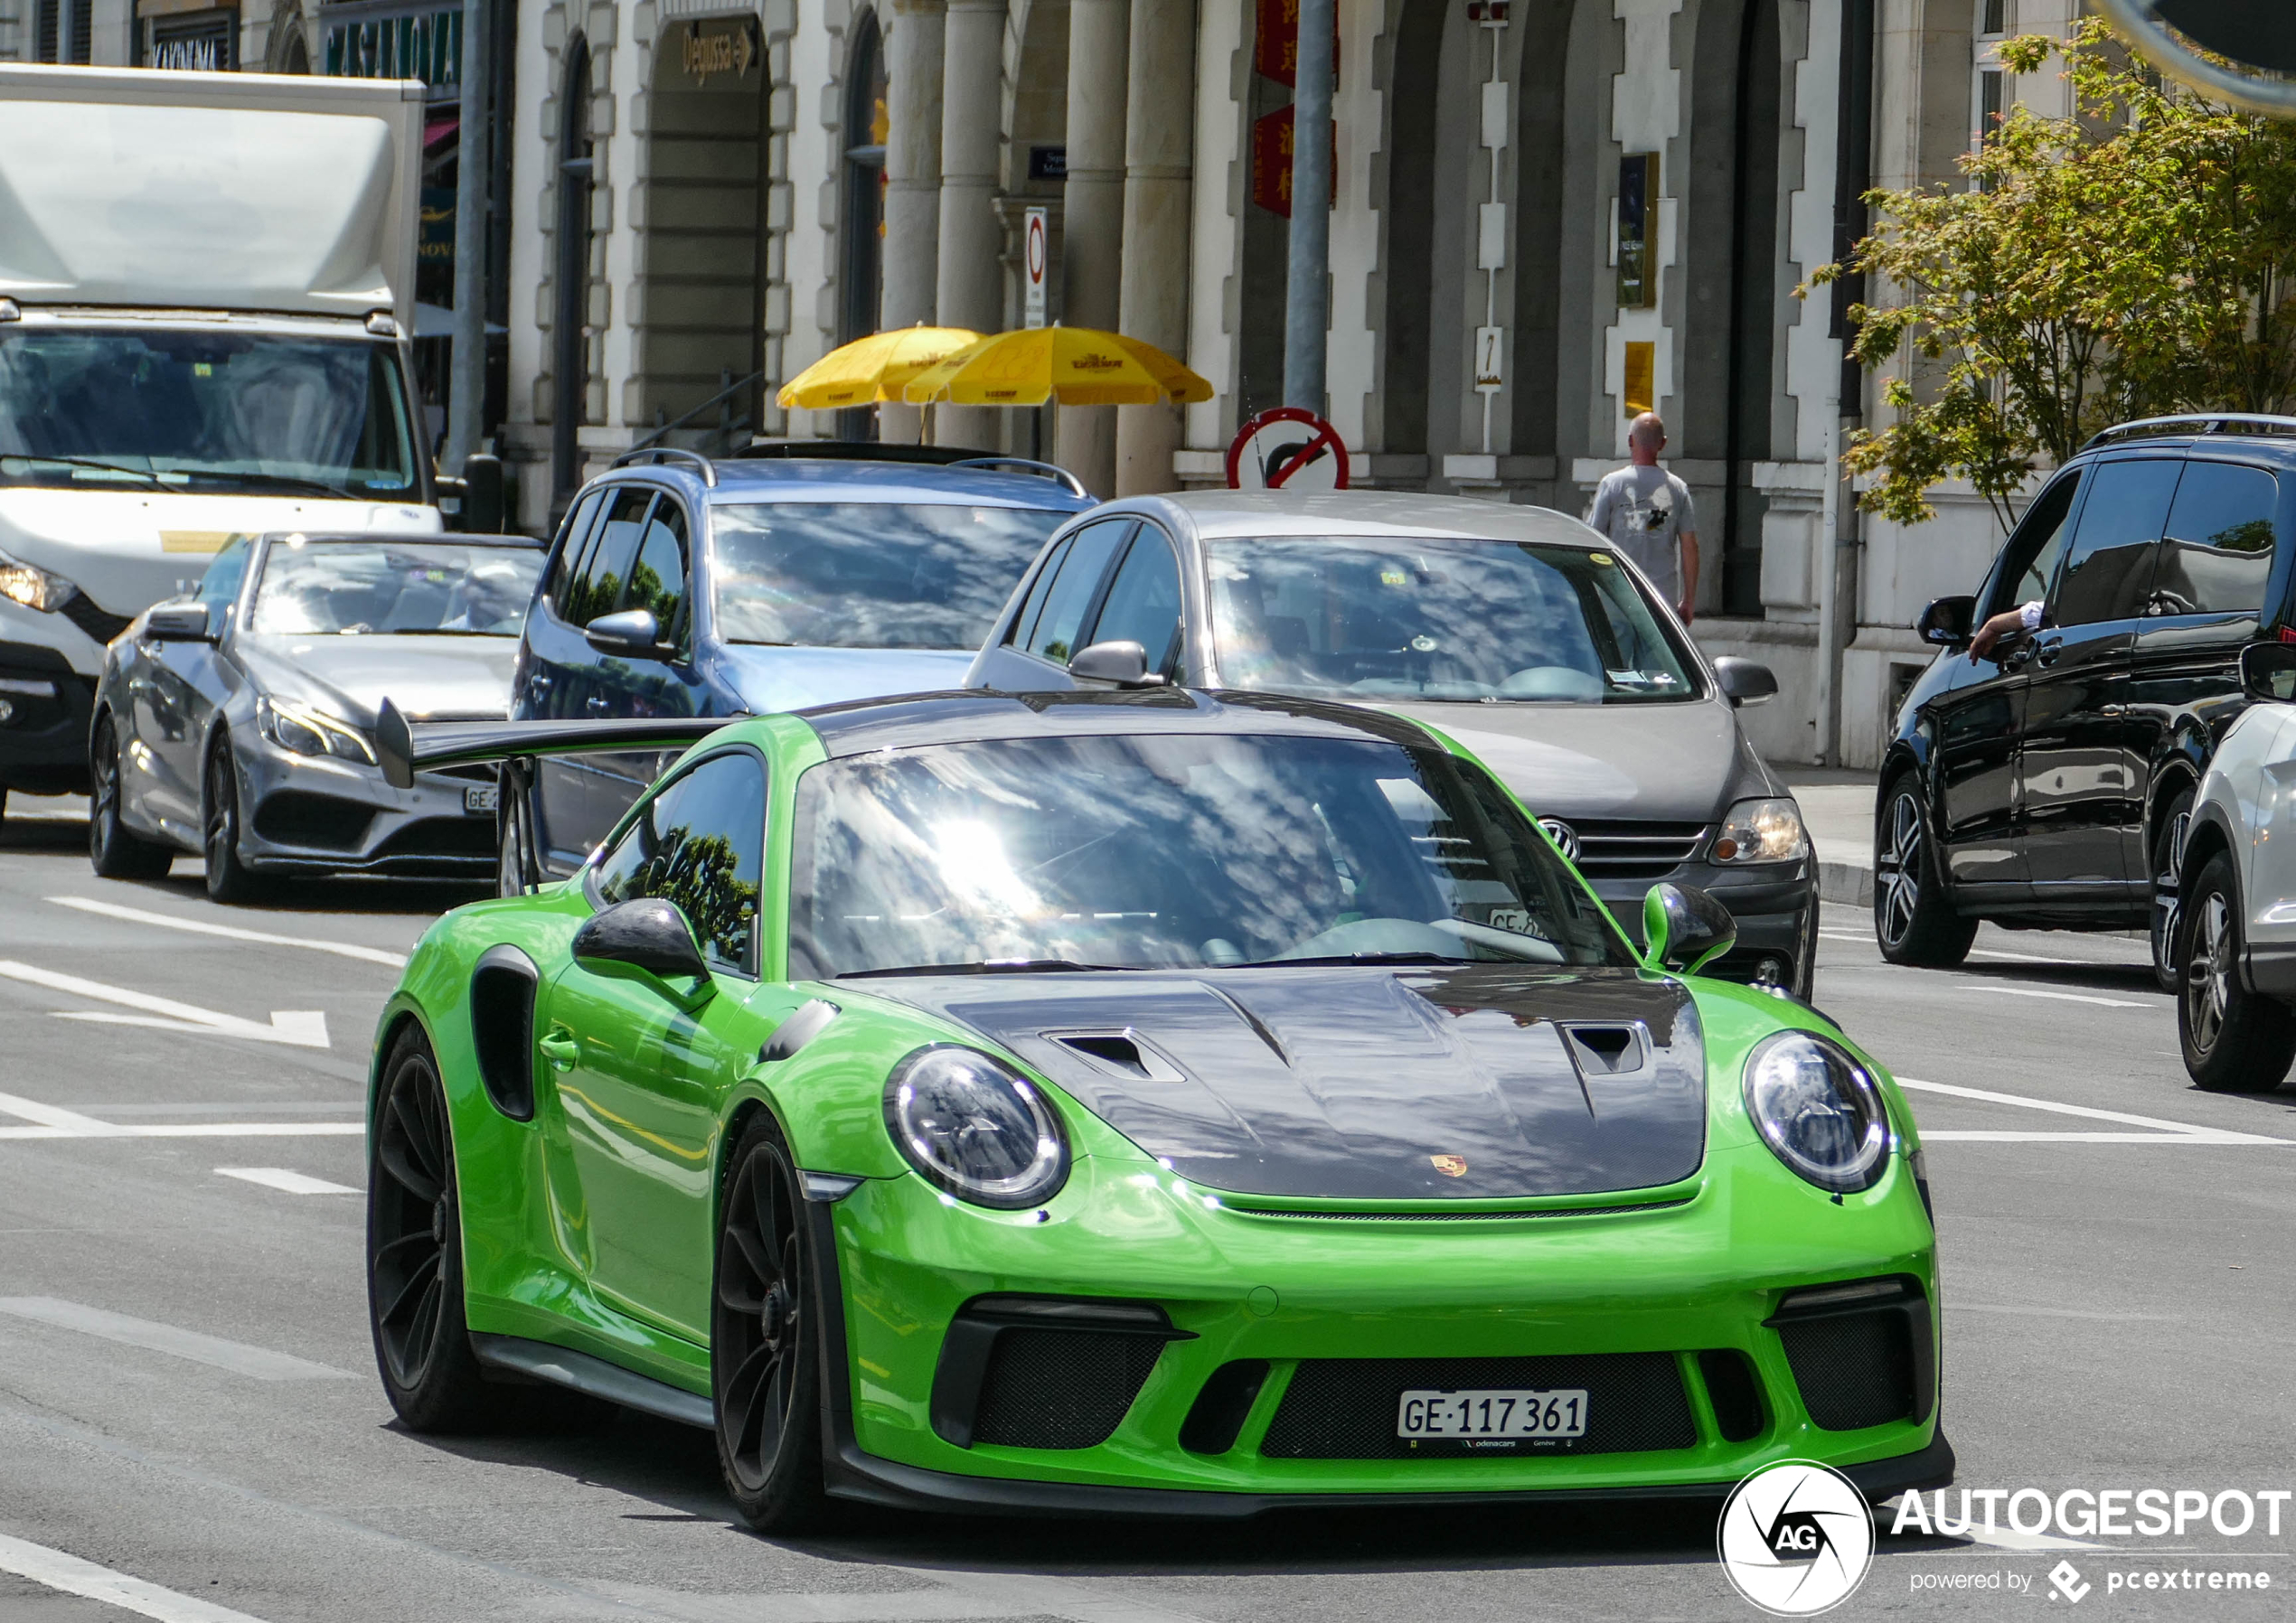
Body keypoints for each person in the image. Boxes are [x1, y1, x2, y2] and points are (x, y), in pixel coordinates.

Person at [1586, 411, 1701, 624]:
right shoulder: (1677, 488)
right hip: (1661, 597)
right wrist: (1689, 600)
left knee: (1618, 657)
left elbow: (1594, 539)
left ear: (1630, 441)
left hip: (1618, 594)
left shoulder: (1612, 484)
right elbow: (1690, 546)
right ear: (1663, 444)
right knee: (1654, 657)